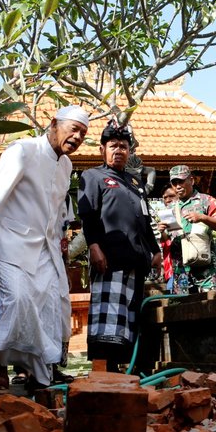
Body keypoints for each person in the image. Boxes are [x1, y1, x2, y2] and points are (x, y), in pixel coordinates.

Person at [0, 105, 89, 394]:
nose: (77, 137)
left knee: (52, 305)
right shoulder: (23, 151)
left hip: (46, 250)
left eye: (83, 133)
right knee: (17, 298)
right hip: (11, 242)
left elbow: (59, 209)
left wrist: (62, 246)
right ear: (53, 124)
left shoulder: (66, 166)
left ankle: (39, 375)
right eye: (73, 129)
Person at [78, 120, 162, 372]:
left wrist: (156, 250)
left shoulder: (135, 183)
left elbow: (145, 220)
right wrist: (93, 246)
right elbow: (88, 215)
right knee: (109, 313)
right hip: (109, 257)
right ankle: (106, 369)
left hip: (136, 260)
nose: (119, 150)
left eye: (124, 146)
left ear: (130, 151)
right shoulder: (92, 176)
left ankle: (130, 367)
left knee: (130, 314)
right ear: (102, 149)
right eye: (113, 145)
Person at [161, 164, 216, 294]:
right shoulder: (171, 208)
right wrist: (162, 230)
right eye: (174, 183)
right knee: (182, 308)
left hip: (205, 266)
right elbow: (166, 239)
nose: (178, 186)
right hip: (180, 269)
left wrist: (202, 217)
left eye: (181, 181)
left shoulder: (206, 200)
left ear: (191, 180)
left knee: (211, 304)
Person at [158, 183, 177, 291]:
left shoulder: (189, 213)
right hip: (172, 267)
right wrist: (161, 232)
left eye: (171, 196)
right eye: (165, 197)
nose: (168, 200)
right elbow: (167, 241)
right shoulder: (163, 217)